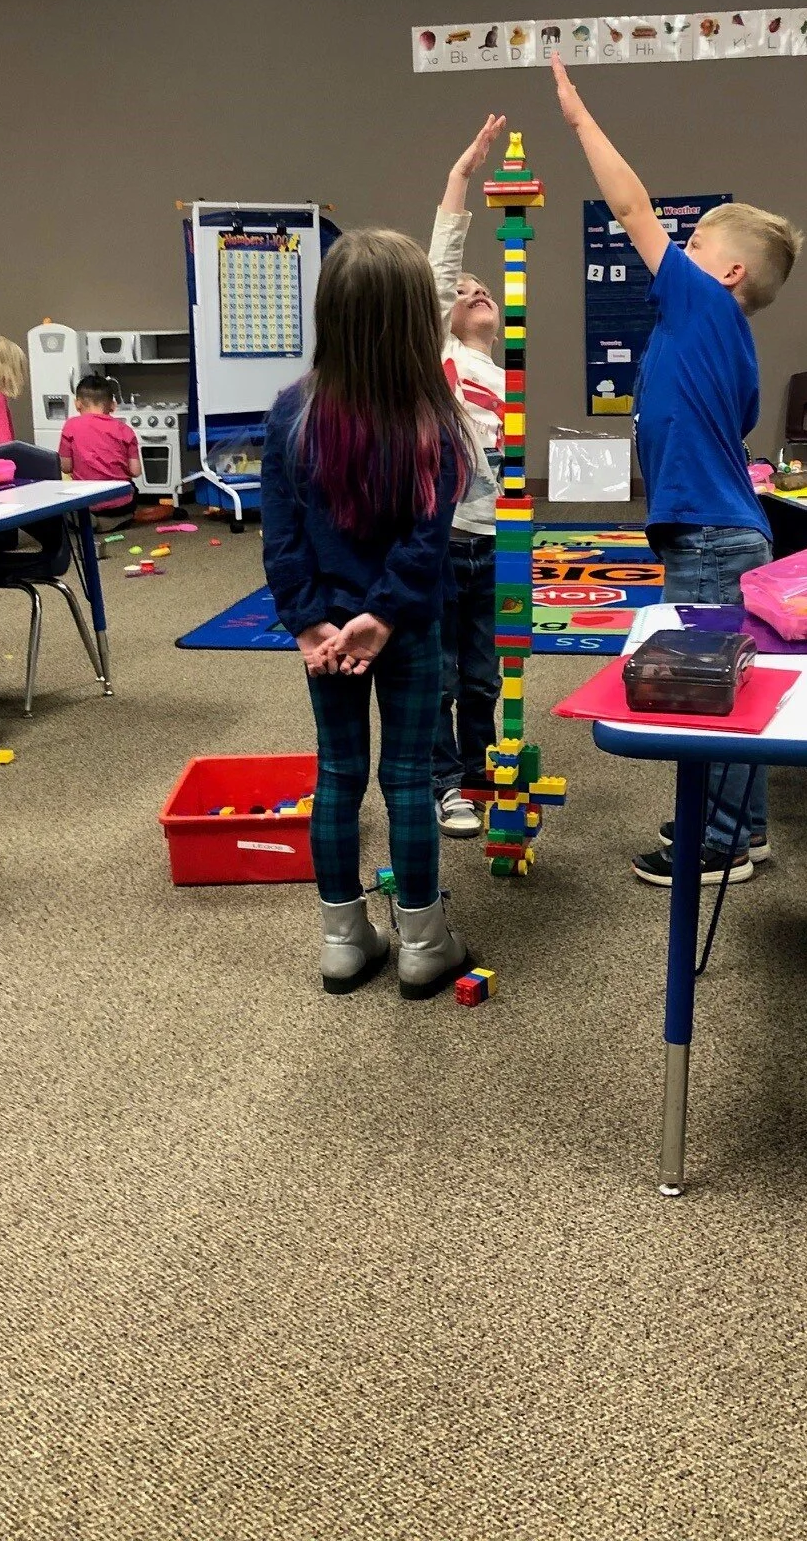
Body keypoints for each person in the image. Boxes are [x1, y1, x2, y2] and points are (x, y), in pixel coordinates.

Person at [551, 54, 803, 887]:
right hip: (719, 528)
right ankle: (740, 824)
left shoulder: (701, 303)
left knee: (709, 682)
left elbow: (628, 205)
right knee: (722, 674)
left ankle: (726, 840)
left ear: (726, 272)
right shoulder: (723, 337)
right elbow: (734, 423)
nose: (676, 251)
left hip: (711, 536)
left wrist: (580, 118)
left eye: (694, 244)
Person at [261, 228, 477, 999]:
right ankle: (423, 943)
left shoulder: (291, 413)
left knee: (339, 775)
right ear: (419, 319)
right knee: (409, 776)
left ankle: (343, 942)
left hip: (329, 636)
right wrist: (382, 618)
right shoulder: (437, 421)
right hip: (408, 626)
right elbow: (426, 544)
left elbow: (281, 540)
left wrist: (312, 623)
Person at [428, 112, 506, 839]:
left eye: (486, 289)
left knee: (486, 673)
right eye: (464, 289)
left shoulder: (498, 372)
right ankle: (444, 782)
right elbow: (440, 272)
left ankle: (483, 773)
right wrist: (461, 181)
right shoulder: (439, 365)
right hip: (446, 536)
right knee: (445, 671)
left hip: (495, 539)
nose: (473, 291)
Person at [59, 373, 142, 528]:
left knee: (63, 503)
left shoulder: (70, 426)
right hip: (120, 505)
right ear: (113, 405)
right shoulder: (125, 430)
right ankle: (115, 521)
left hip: (86, 502)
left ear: (78, 404)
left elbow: (66, 467)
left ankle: (88, 522)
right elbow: (136, 471)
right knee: (132, 490)